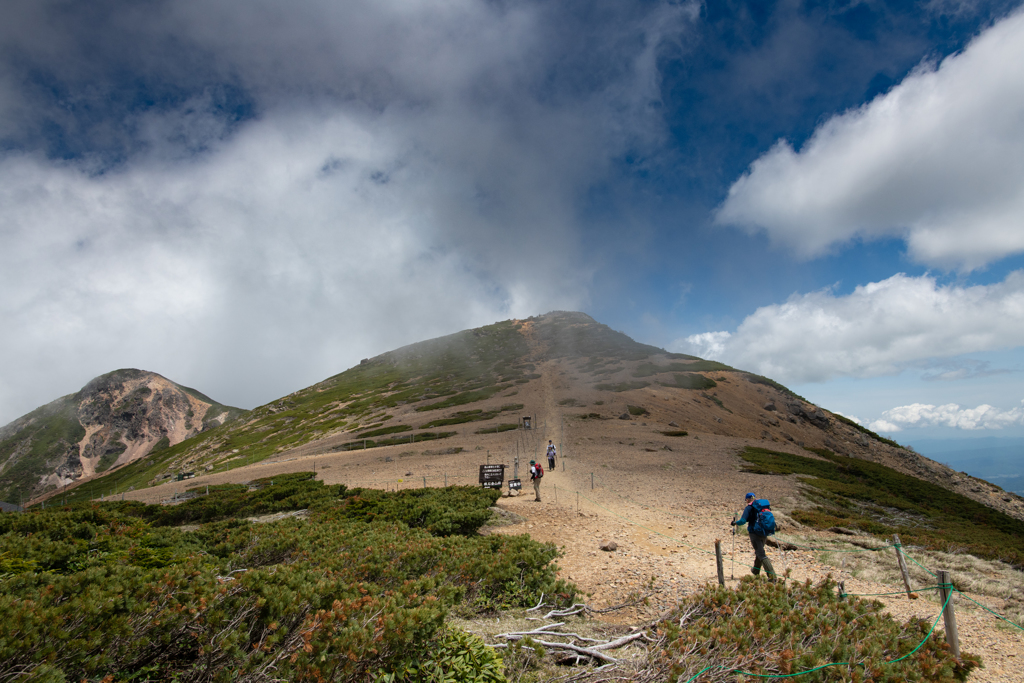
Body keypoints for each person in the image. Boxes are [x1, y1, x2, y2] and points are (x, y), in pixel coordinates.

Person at [731, 492, 777, 581]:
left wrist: (735, 523)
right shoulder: (762, 507)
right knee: (759, 551)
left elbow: (743, 521)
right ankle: (756, 571)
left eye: (746, 500)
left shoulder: (749, 508)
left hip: (754, 533)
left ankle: (772, 577)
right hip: (764, 532)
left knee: (761, 554)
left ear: (747, 499)